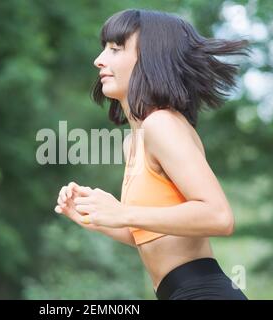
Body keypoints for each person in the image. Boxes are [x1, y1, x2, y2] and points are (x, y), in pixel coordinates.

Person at [55, 8, 250, 300]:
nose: (99, 60)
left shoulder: (162, 124)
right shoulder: (134, 141)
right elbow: (159, 239)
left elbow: (219, 216)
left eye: (115, 49)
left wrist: (124, 213)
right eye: (104, 49)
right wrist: (100, 218)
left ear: (150, 59)